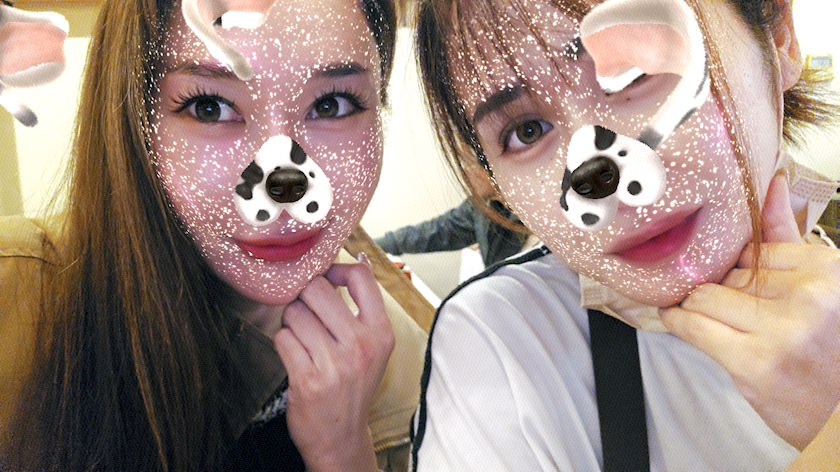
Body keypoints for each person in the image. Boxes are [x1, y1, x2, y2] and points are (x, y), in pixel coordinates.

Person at [411, 0, 840, 470]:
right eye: (527, 132)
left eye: (636, 72)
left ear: (779, 36)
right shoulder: (505, 343)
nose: (600, 183)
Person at [0, 0, 428, 470]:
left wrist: (344, 452)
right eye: (210, 108)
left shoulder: (409, 368)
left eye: (332, 104)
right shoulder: (16, 305)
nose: (284, 183)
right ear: (134, 124)